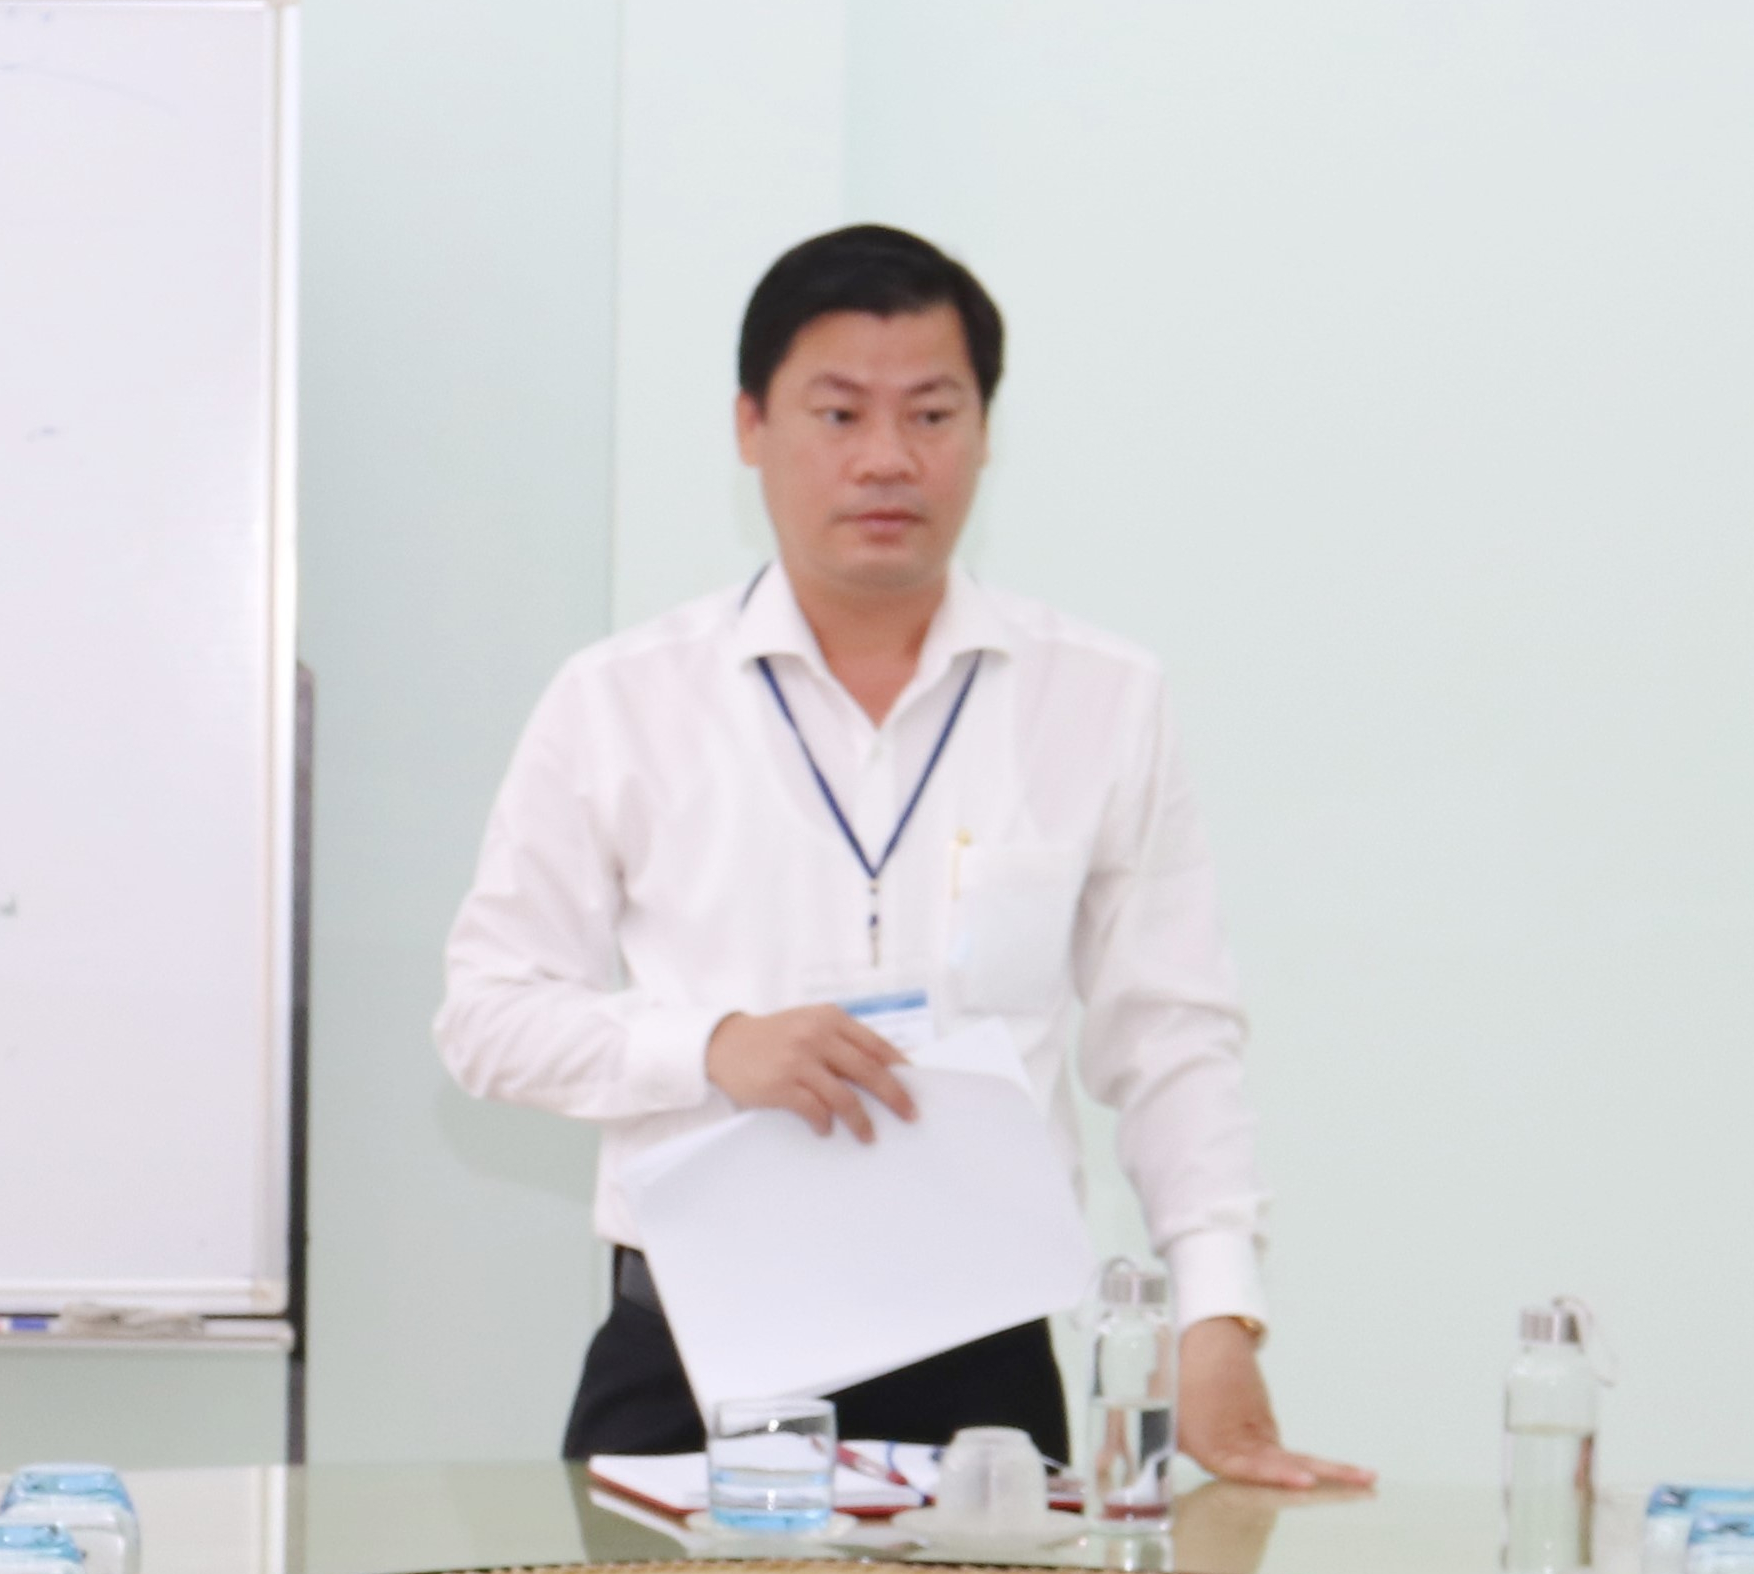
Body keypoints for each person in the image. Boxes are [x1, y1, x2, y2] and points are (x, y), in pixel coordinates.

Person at [438, 223, 1364, 1485]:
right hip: (692, 1356)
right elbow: (486, 1018)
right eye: (836, 414)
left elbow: (1170, 1035)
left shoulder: (1098, 697)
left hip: (980, 1368)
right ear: (750, 427)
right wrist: (710, 1045)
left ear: (983, 432)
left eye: (930, 414)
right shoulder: (619, 700)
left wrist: (1215, 1312)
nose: (886, 458)